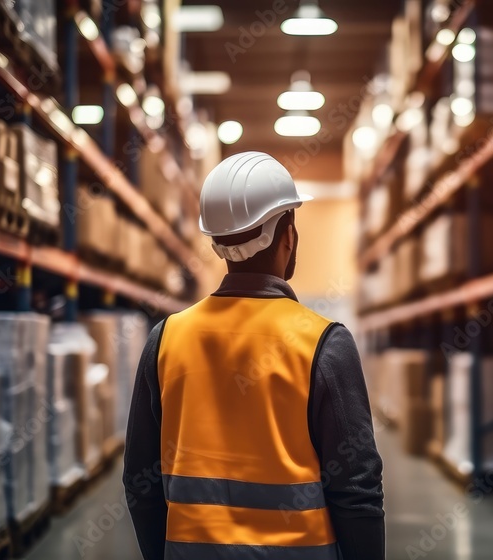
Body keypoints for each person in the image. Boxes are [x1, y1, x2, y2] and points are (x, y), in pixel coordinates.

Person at [123, 152, 385, 560]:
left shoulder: (166, 339)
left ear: (217, 242)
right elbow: (358, 491)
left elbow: (140, 483)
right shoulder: (324, 343)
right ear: (288, 235)